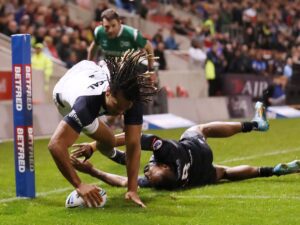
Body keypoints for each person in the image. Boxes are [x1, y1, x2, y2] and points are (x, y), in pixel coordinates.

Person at [71, 102, 299, 190]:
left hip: (197, 174)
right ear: (166, 168)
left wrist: (93, 170)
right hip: (195, 149)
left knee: (226, 173)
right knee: (202, 130)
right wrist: (95, 145)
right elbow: (136, 137)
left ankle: (272, 171)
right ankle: (254, 125)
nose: (147, 172)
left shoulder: (165, 182)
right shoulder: (168, 152)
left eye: (147, 174)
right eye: (151, 172)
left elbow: (122, 179)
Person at [48, 50, 157, 207]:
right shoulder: (86, 105)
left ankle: (110, 153)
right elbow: (55, 145)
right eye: (117, 106)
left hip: (92, 71)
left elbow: (133, 143)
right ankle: (110, 152)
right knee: (106, 138)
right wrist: (79, 185)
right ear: (108, 92)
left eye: (125, 109)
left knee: (111, 140)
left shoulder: (131, 97)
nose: (120, 113)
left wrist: (132, 189)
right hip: (64, 94)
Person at [88, 8, 155, 71]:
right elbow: (92, 48)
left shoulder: (132, 34)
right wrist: (88, 65)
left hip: (130, 69)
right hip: (109, 68)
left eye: (113, 26)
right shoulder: (99, 32)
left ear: (120, 23)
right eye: (107, 27)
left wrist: (151, 69)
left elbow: (149, 47)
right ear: (102, 24)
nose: (110, 30)